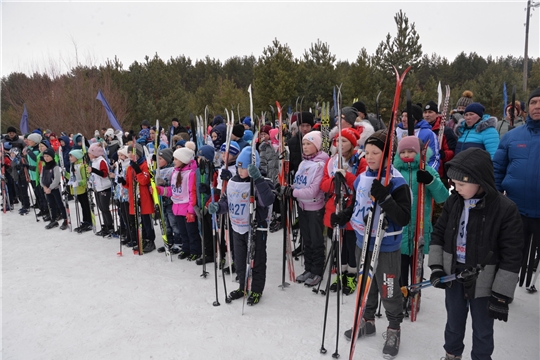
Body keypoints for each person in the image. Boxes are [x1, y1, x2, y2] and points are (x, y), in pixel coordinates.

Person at [428, 147, 523, 360]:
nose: (456, 188)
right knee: (454, 321)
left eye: (461, 184)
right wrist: (436, 267)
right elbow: (439, 233)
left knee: (482, 328)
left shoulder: (505, 210)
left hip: (484, 279)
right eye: (454, 184)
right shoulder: (455, 201)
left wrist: (501, 293)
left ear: (480, 180)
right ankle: (452, 354)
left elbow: (512, 254)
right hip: (454, 273)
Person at [332, 130, 411, 358]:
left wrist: (386, 198)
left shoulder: (396, 182)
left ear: (388, 154)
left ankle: (393, 328)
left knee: (388, 288)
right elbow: (357, 203)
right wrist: (345, 215)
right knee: (366, 284)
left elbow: (404, 217)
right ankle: (367, 320)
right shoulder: (362, 177)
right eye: (367, 152)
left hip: (385, 245)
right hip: (361, 240)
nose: (371, 156)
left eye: (376, 152)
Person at [208, 146, 275, 305]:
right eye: (238, 166)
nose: (240, 170)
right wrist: (218, 207)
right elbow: (227, 202)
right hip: (237, 227)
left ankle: (257, 289)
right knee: (239, 259)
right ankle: (243, 286)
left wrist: (257, 179)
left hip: (256, 228)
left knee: (257, 260)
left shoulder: (261, 182)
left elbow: (268, 200)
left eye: (244, 167)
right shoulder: (232, 182)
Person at [493, 87, 540, 289]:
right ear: (527, 107)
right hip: (515, 209)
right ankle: (502, 292)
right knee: (509, 253)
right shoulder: (512, 136)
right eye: (533, 102)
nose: (537, 106)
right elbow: (497, 168)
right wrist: (494, 197)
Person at [393, 136, 449, 300]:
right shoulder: (395, 172)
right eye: (403, 152)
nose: (407, 154)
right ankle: (402, 294)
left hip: (420, 227)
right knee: (400, 265)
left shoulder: (428, 171)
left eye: (411, 151)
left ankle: (415, 294)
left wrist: (431, 181)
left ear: (419, 153)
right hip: (400, 228)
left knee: (416, 264)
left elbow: (442, 197)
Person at [320, 127, 367, 295]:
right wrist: (335, 179)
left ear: (352, 144)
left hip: (353, 208)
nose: (340, 144)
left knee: (350, 245)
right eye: (337, 141)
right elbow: (324, 185)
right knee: (338, 244)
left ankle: (351, 275)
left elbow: (362, 184)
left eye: (344, 141)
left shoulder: (361, 160)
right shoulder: (332, 161)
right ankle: (340, 273)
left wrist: (346, 175)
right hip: (335, 206)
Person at [282, 131, 329, 287]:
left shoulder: (321, 164)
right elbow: (300, 184)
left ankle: (317, 271)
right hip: (302, 206)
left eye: (309, 144)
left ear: (317, 146)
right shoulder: (303, 163)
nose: (305, 147)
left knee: (316, 241)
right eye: (303, 144)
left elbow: (313, 190)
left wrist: (292, 192)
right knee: (307, 240)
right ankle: (308, 268)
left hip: (314, 208)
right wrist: (289, 188)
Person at [156, 145, 201, 261]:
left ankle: (195, 250)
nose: (174, 161)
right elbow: (172, 191)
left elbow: (192, 192)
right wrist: (160, 190)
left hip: (187, 208)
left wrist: (191, 210)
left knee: (191, 232)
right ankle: (186, 249)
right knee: (183, 232)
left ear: (184, 160)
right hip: (177, 207)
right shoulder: (175, 172)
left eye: (176, 159)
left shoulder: (191, 173)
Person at [119, 143, 156, 253]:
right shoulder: (130, 167)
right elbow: (130, 184)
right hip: (134, 198)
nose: (130, 154)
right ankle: (143, 239)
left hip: (143, 198)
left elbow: (144, 180)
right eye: (129, 152)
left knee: (146, 221)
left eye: (132, 152)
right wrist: (123, 182)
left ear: (138, 154)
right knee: (139, 221)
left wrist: (138, 170)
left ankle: (150, 240)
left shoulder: (144, 164)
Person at [87, 143, 115, 236]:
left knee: (104, 208)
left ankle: (110, 226)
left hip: (105, 187)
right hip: (98, 187)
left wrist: (93, 170)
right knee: (101, 207)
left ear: (95, 153)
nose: (89, 155)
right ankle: (105, 225)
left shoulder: (101, 161)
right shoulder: (94, 161)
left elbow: (104, 174)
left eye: (90, 153)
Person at [40, 147, 69, 230]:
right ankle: (53, 219)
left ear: (52, 157)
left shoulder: (55, 166)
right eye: (45, 156)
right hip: (47, 189)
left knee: (59, 204)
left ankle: (65, 219)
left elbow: (56, 179)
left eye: (48, 156)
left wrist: (50, 187)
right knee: (51, 205)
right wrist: (44, 187)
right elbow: (41, 177)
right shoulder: (44, 167)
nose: (46, 158)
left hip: (55, 189)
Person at [67, 149, 93, 233]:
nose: (70, 158)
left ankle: (89, 221)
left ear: (77, 156)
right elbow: (72, 178)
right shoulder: (73, 165)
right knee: (82, 206)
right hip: (77, 190)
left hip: (83, 189)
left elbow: (86, 178)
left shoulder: (82, 165)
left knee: (86, 206)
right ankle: (85, 221)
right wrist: (65, 173)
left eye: (71, 156)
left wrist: (79, 183)